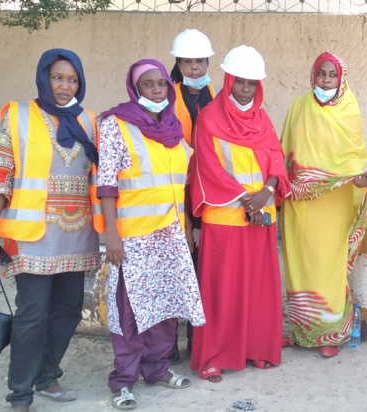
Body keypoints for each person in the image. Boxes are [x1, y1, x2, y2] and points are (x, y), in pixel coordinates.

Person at [0, 49, 100, 412]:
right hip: (31, 235)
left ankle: (47, 375)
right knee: (32, 314)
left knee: (68, 310)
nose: (64, 85)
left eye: (72, 79)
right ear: (44, 78)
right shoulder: (17, 115)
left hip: (77, 233)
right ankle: (20, 394)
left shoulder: (88, 120)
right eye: (58, 77)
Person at [92, 59, 206, 410]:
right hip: (133, 235)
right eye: (148, 84)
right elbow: (106, 184)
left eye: (161, 84)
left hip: (170, 233)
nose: (156, 89)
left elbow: (180, 186)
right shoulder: (116, 124)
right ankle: (123, 381)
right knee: (129, 311)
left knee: (165, 305)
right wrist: (111, 235)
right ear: (135, 88)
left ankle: (156, 369)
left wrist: (185, 230)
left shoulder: (173, 128)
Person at [189, 46, 290, 383]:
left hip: (261, 217)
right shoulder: (210, 118)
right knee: (222, 291)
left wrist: (267, 193)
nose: (246, 89)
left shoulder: (262, 119)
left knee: (259, 289)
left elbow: (276, 160)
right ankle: (214, 358)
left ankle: (258, 349)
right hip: (225, 219)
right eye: (240, 82)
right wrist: (245, 198)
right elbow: (209, 167)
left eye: (252, 84)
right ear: (228, 80)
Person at [280, 52, 367, 358]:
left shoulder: (349, 111)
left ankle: (330, 334)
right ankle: (301, 331)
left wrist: (358, 180)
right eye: (322, 74)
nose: (326, 80)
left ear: (341, 78)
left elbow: (355, 160)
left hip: (334, 203)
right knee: (300, 263)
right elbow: (286, 152)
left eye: (332, 75)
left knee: (328, 265)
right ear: (313, 76)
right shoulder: (298, 107)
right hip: (302, 204)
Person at [167, 28, 217, 364]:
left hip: (210, 192)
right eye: (187, 61)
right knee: (175, 263)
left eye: (200, 61)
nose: (194, 67)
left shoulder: (218, 94)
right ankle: (167, 341)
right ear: (179, 63)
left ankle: (197, 338)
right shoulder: (165, 95)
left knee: (203, 266)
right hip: (178, 192)